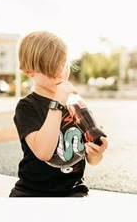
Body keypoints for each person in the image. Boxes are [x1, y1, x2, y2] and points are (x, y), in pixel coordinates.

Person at [10, 31, 108, 198]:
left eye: (62, 65)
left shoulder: (74, 102)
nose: (59, 73)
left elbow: (92, 161)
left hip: (74, 191)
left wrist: (96, 152)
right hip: (32, 192)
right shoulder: (27, 107)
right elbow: (43, 152)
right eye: (49, 70)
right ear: (28, 72)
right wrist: (57, 102)